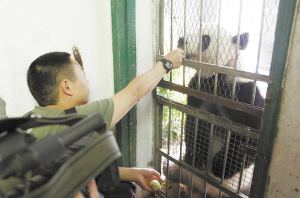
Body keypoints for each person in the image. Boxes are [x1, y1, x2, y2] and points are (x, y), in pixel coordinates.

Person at [24, 49, 184, 197]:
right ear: (67, 86)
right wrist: (166, 63)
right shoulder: (75, 119)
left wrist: (132, 173)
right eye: (82, 74)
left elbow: (71, 169)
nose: (87, 81)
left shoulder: (29, 120)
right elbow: (135, 92)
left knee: (122, 186)